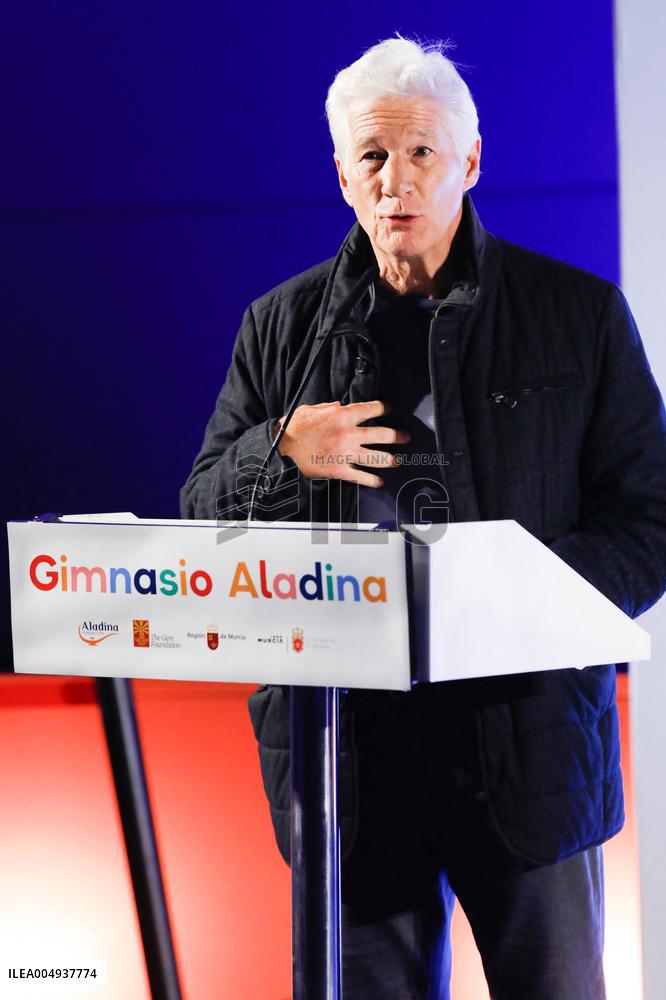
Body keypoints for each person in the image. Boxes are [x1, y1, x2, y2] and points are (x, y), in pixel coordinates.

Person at [180, 35, 666, 999]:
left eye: (421, 154)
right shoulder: (280, 327)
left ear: (470, 163)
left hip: (526, 748)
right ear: (341, 176)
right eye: (372, 157)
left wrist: (518, 603)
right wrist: (280, 445)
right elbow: (202, 516)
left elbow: (648, 519)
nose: (396, 180)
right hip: (348, 765)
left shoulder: (577, 314)